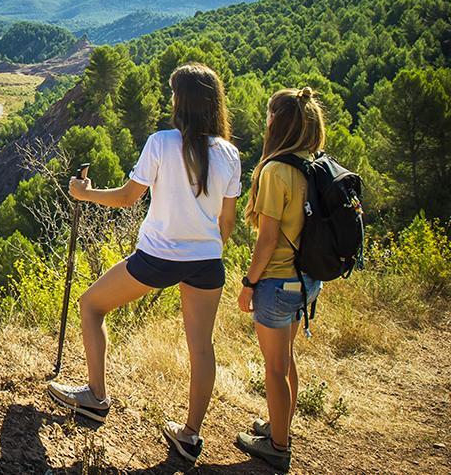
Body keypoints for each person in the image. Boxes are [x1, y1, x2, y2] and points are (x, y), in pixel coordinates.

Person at [48, 63, 242, 465]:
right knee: (201, 347)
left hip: (157, 257)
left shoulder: (161, 143)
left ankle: (95, 397)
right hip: (207, 262)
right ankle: (190, 436)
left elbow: (125, 199)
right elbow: (227, 222)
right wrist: (204, 248)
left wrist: (84, 194)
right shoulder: (229, 153)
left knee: (91, 305)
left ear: (181, 103)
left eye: (174, 95)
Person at [234, 87, 326, 472]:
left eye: (269, 113)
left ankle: (277, 445)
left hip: (277, 281)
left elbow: (268, 239)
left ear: (277, 121)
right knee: (286, 361)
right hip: (306, 280)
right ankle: (279, 424)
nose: (266, 119)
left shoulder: (275, 171)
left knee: (274, 367)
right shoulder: (315, 165)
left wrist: (248, 282)